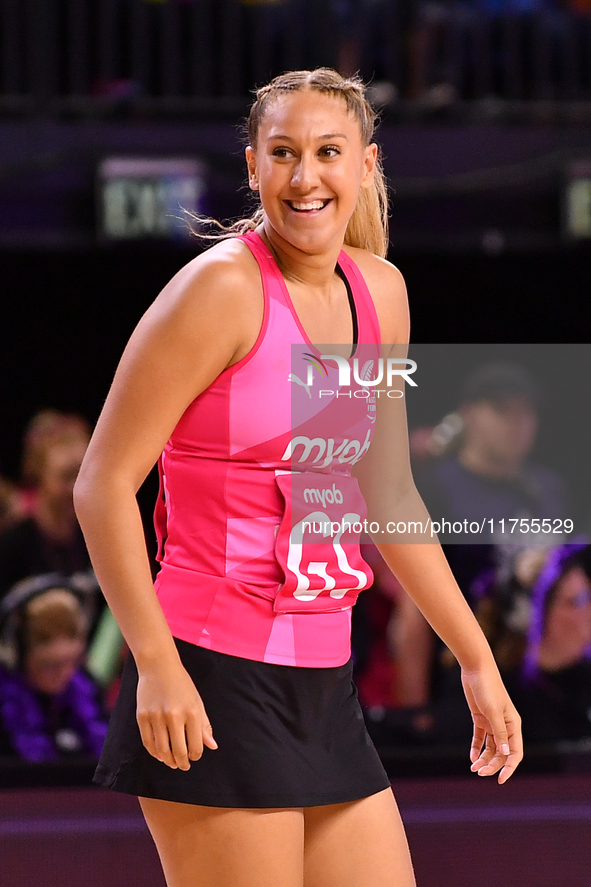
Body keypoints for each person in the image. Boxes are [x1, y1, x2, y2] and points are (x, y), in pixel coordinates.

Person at [73, 68, 522, 887]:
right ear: (252, 166)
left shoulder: (380, 291)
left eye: (326, 152)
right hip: (208, 669)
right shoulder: (219, 290)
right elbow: (101, 483)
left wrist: (475, 658)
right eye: (282, 153)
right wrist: (155, 662)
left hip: (323, 677)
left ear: (365, 165)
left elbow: (388, 496)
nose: (304, 176)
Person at [0, 574, 108, 761]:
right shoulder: (6, 707)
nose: (66, 673)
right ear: (16, 657)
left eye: (73, 661)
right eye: (50, 665)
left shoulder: (89, 690)